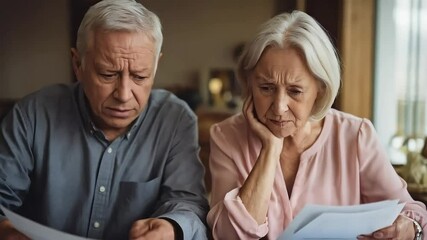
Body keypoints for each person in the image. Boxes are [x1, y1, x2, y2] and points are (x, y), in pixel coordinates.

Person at [207, 10, 427, 240]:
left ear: (320, 90)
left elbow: (410, 212)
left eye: (295, 91)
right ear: (249, 82)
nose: (279, 106)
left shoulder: (355, 135)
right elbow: (227, 235)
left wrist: (411, 229)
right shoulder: (226, 136)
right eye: (266, 88)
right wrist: (270, 149)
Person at [0, 0, 209, 239]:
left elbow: (188, 204)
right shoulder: (33, 115)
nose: (123, 95)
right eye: (108, 74)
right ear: (77, 64)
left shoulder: (175, 120)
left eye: (140, 76)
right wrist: (6, 230)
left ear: (156, 66)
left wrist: (171, 227)